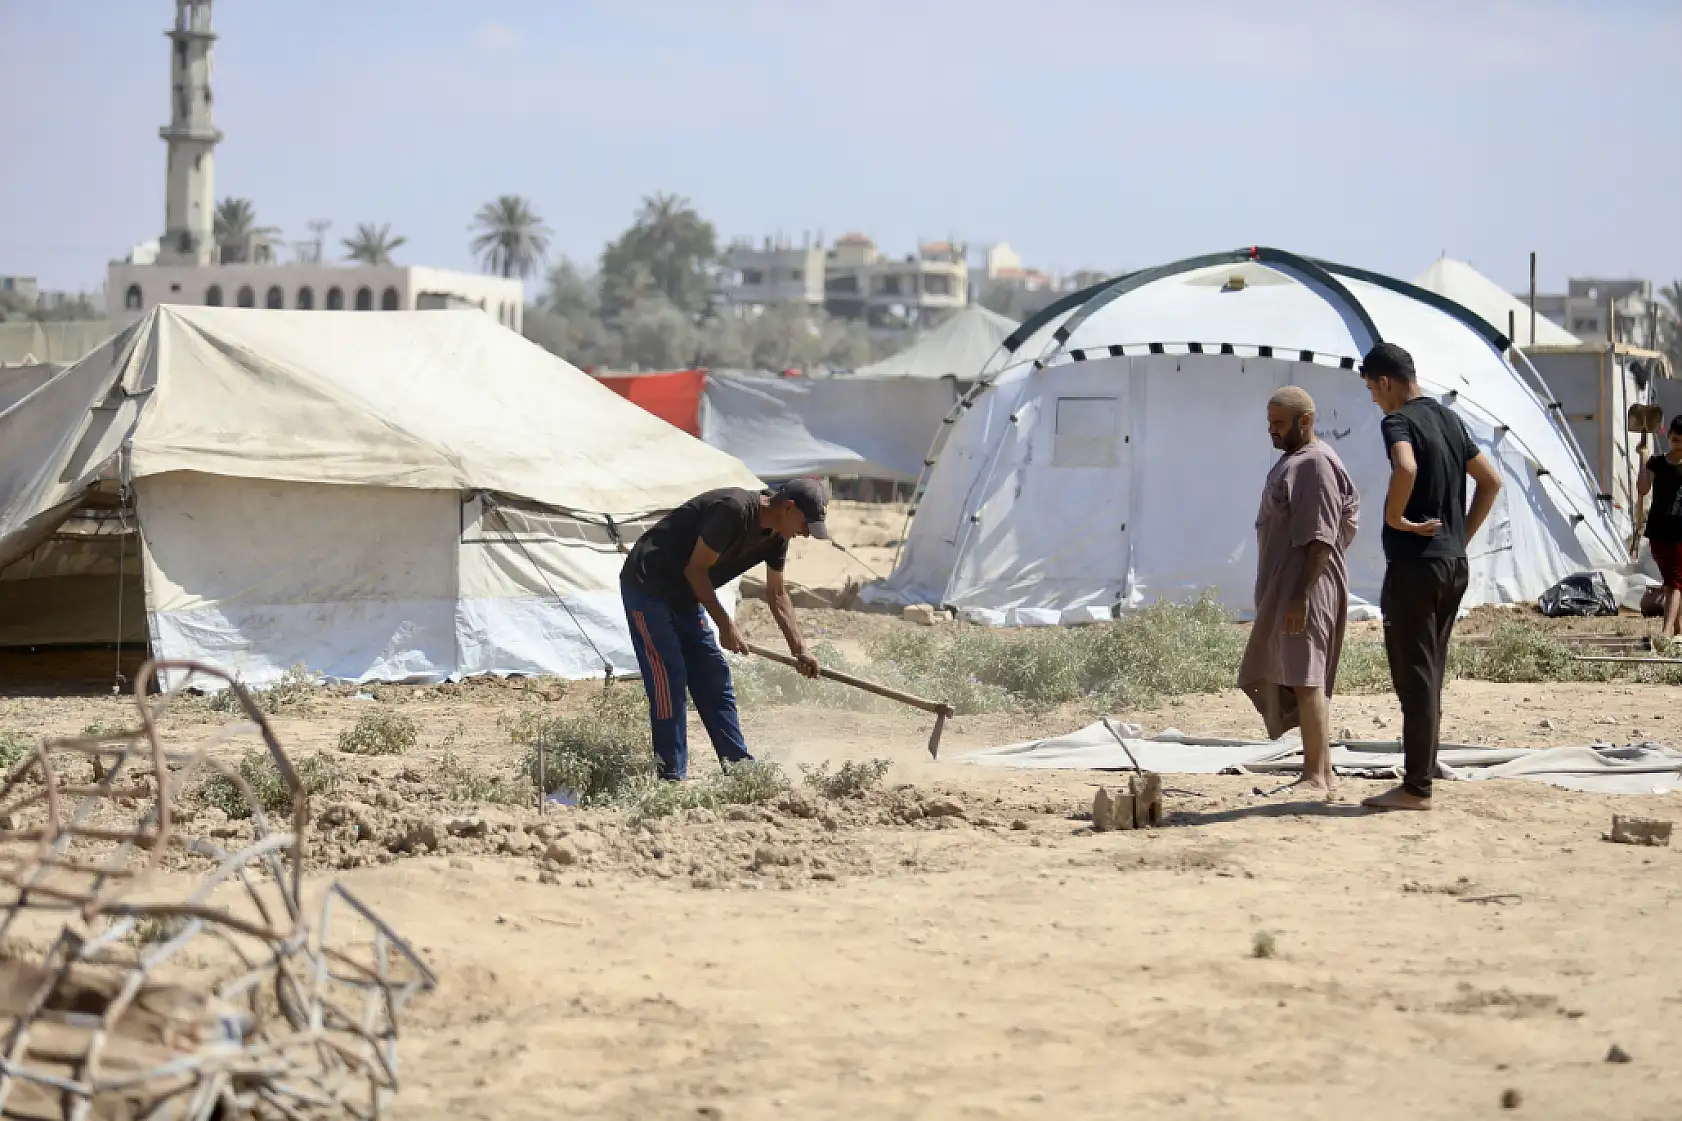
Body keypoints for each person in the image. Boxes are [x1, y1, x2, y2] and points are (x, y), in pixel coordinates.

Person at [1357, 342, 1502, 812]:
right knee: (1430, 670)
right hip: (1450, 565)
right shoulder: (1448, 418)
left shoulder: (1398, 421)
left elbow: (1405, 465)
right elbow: (1490, 480)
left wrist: (1396, 517)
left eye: (1373, 391)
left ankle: (1417, 787)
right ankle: (1421, 773)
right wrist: (1460, 539)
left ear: (1385, 381)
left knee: (1414, 674)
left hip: (1415, 566)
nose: (1375, 401)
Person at [619, 479, 827, 780]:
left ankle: (739, 768)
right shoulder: (733, 510)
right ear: (788, 507)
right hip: (648, 585)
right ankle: (670, 777)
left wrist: (800, 650)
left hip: (686, 594)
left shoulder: (778, 537)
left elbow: (778, 594)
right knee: (670, 677)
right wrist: (726, 626)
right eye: (806, 525)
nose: (806, 533)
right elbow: (696, 569)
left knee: (713, 673)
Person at [1237, 386, 1360, 796]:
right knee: (1304, 678)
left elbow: (1321, 538)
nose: (1271, 431)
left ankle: (1316, 777)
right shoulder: (1297, 461)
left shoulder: (1314, 465)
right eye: (1269, 423)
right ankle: (1322, 771)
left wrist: (1300, 595)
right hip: (1291, 584)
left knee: (1308, 680)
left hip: (1307, 585)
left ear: (1304, 422)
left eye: (1279, 424)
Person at [1635, 414, 1682, 642]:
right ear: (1669, 436)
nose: (1678, 445)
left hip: (1679, 532)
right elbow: (1643, 489)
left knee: (1674, 582)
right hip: (1659, 530)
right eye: (1675, 439)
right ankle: (1678, 629)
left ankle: (1666, 633)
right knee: (1672, 580)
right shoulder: (1657, 463)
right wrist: (1642, 460)